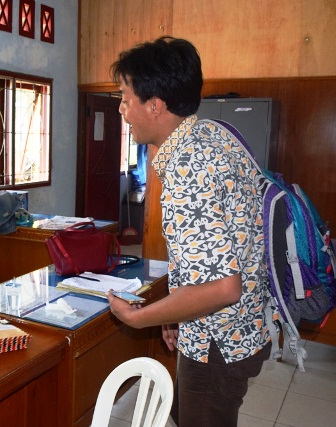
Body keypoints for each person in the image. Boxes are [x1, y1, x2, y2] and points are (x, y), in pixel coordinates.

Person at [106, 37, 273, 427]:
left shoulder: (188, 170)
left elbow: (221, 288)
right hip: (236, 329)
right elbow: (210, 259)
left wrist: (137, 318)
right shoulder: (214, 135)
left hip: (220, 344)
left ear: (155, 105)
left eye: (126, 99)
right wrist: (175, 312)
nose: (122, 110)